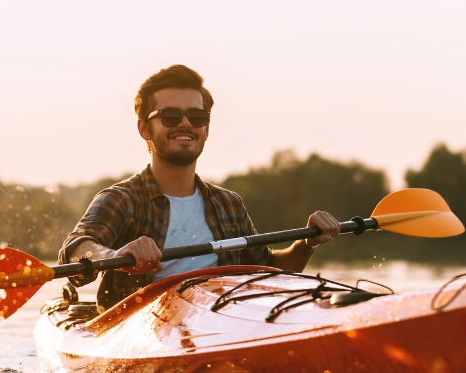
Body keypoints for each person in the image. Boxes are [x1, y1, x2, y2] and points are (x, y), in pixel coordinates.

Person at [59, 64, 341, 310]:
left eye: (197, 117)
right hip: (140, 334)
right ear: (144, 128)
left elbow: (269, 270)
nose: (185, 124)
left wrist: (307, 243)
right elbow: (76, 247)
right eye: (170, 116)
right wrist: (114, 256)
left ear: (206, 128)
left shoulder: (228, 204)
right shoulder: (121, 200)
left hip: (220, 323)